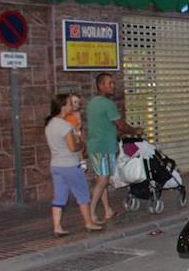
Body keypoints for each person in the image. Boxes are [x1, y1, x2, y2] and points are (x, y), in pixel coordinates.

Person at [46, 94, 104, 236]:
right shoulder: (65, 126)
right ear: (63, 106)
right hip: (70, 165)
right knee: (82, 194)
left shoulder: (50, 124)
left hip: (55, 165)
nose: (72, 106)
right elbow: (73, 147)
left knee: (59, 197)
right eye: (69, 104)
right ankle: (89, 222)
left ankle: (57, 227)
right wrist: (82, 143)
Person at [86, 73, 141, 224]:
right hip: (103, 148)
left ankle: (107, 210)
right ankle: (90, 214)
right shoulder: (107, 104)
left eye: (113, 83)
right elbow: (120, 124)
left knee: (101, 179)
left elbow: (104, 126)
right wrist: (134, 130)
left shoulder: (92, 103)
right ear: (100, 86)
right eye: (109, 83)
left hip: (94, 146)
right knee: (103, 180)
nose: (113, 86)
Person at [63, 92, 88, 171]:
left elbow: (79, 124)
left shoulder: (77, 114)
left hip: (75, 133)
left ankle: (82, 162)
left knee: (78, 147)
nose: (76, 104)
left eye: (78, 103)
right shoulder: (65, 114)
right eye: (74, 102)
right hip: (67, 134)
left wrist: (77, 128)